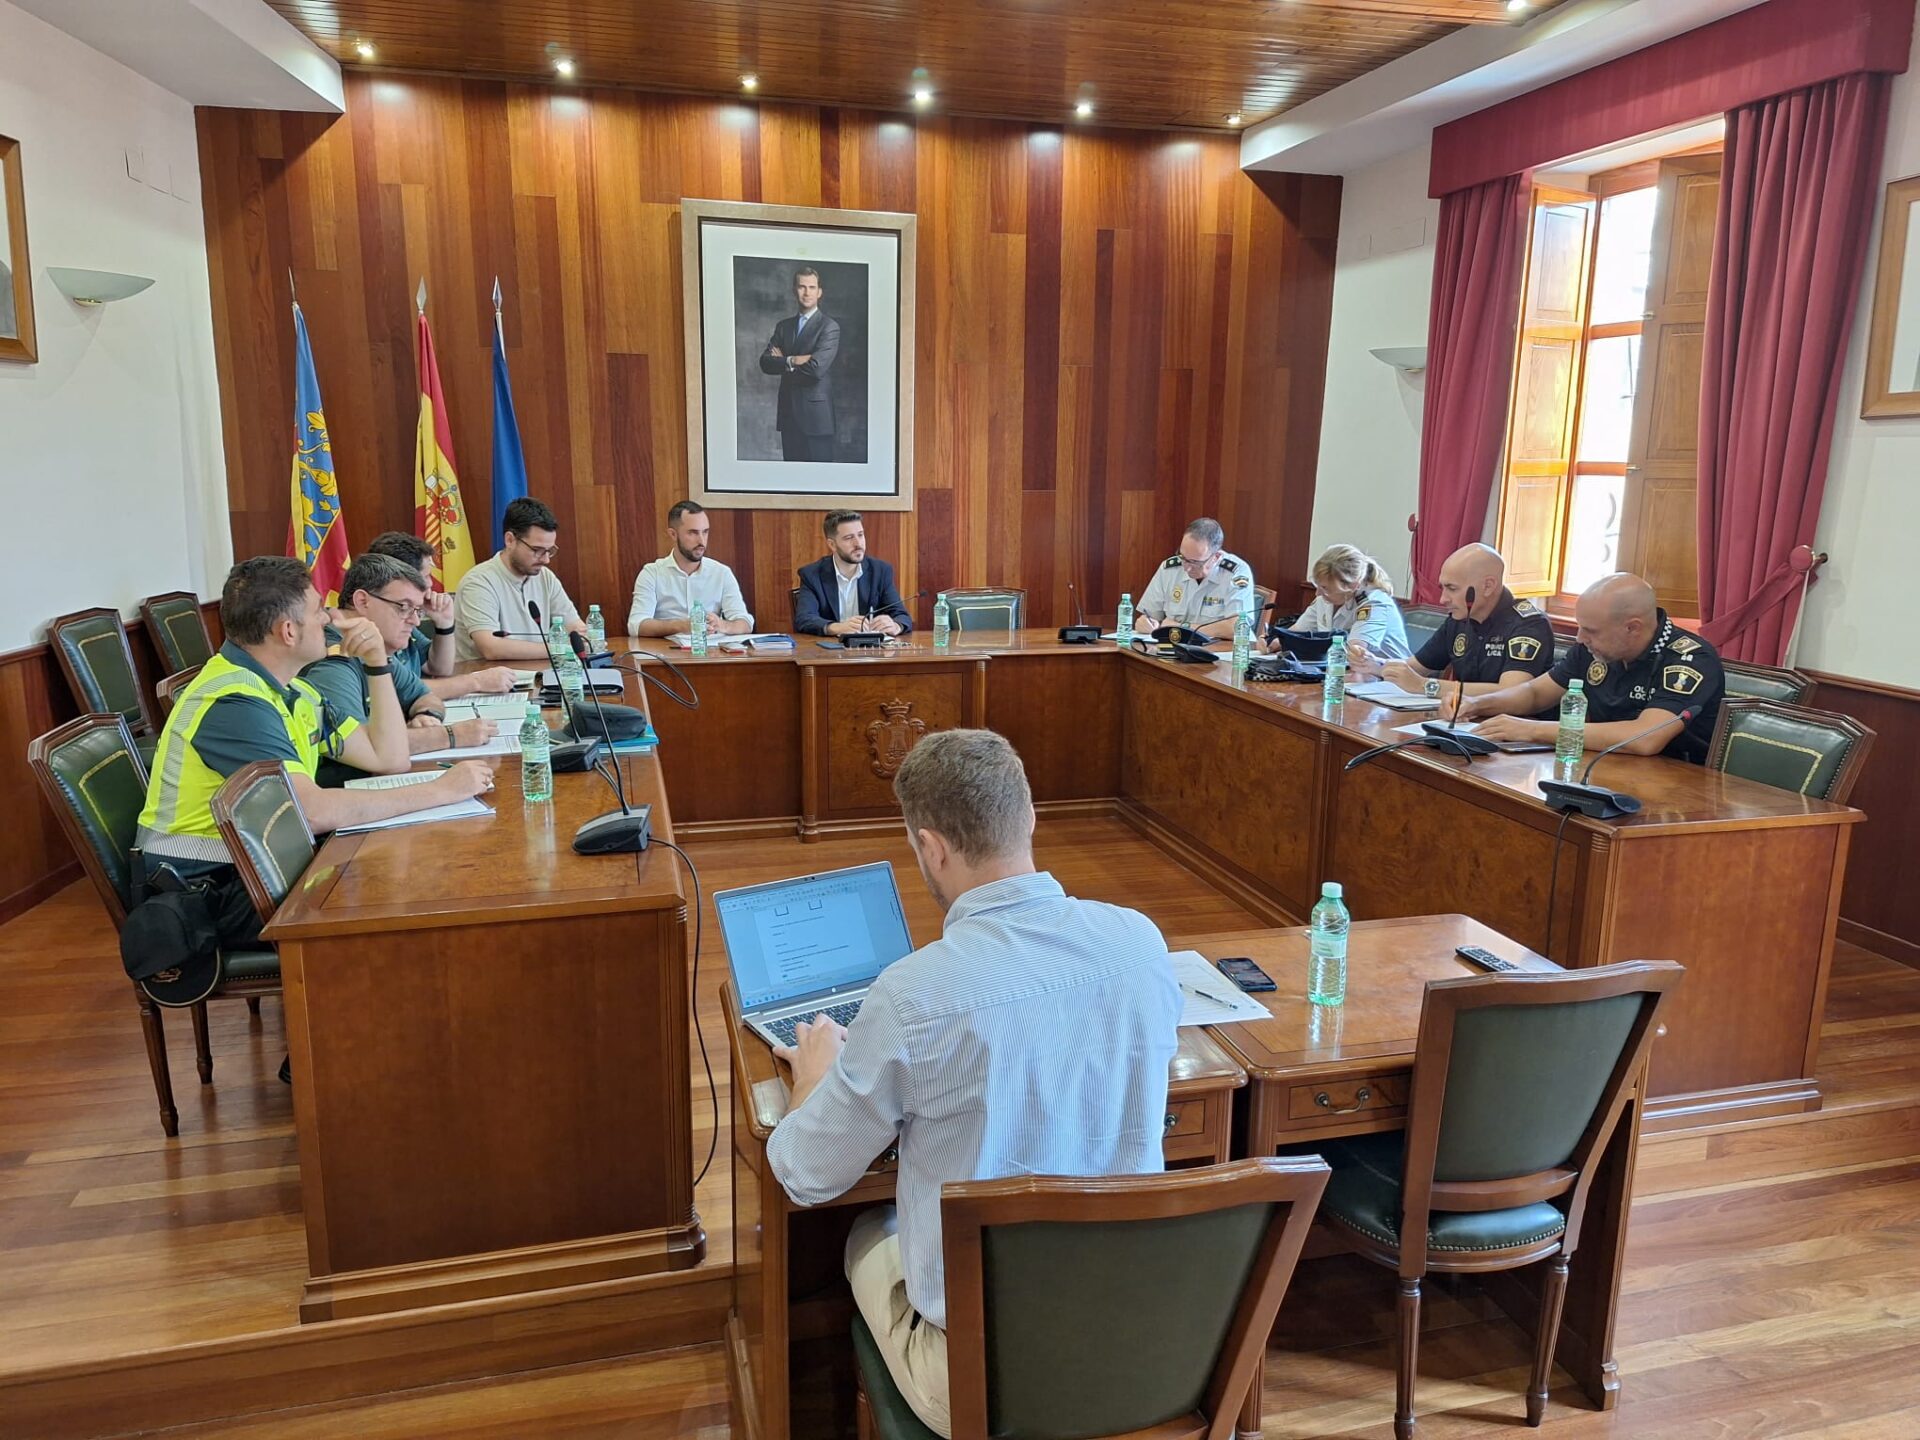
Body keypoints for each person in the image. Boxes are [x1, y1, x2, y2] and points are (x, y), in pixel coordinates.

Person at [765, 729, 1181, 1437]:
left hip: (985, 1384)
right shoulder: (1140, 942)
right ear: (1030, 819)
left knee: (867, 1231)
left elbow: (805, 1174)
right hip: (1136, 1348)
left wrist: (812, 1083)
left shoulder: (911, 995)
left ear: (931, 848)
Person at [134, 556, 497, 952]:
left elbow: (388, 758)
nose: (329, 619)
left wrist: (376, 664)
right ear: (288, 631)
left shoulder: (294, 690)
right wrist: (441, 790)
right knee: (407, 897)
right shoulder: (233, 703)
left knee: (414, 873)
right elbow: (310, 812)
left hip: (263, 865)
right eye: (318, 611)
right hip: (210, 888)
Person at [1459, 572, 1725, 763]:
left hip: (1676, 783)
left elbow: (1644, 738)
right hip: (1604, 764)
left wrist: (1531, 730)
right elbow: (1536, 693)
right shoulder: (1594, 647)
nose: (1580, 638)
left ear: (1633, 628)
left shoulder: (1690, 659)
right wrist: (1477, 704)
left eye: (1590, 630)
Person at [301, 553, 494, 785]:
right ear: (362, 601)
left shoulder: (371, 648)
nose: (415, 621)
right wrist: (450, 735)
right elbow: (372, 749)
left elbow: (425, 696)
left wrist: (426, 715)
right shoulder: (333, 664)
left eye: (417, 610)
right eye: (404, 607)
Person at [1373, 543, 1556, 704]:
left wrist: (1426, 686)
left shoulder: (1529, 624)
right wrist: (1375, 665)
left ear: (1488, 586)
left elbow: (1510, 692)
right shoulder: (1459, 618)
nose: (1443, 599)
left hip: (1512, 727)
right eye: (1443, 588)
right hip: (1462, 718)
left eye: (1452, 589)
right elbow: (1414, 668)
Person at [364, 530, 516, 699]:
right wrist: (476, 682)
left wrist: (444, 624)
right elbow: (398, 690)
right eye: (426, 576)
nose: (430, 583)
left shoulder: (406, 620)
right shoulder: (370, 630)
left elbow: (439, 669)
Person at [454, 497, 589, 662]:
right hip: (487, 675)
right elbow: (491, 648)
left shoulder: (545, 576)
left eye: (549, 551)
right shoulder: (478, 582)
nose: (546, 560)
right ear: (510, 540)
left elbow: (575, 628)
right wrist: (562, 649)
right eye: (537, 550)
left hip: (538, 671)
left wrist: (582, 639)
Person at [627, 500, 755, 638]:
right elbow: (636, 625)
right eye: (693, 533)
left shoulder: (721, 573)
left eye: (705, 532)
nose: (701, 541)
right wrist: (681, 626)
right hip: (667, 649)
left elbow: (746, 623)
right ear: (673, 534)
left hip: (710, 649)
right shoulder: (652, 573)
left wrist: (722, 625)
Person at [1268, 543, 1410, 663]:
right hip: (1343, 674)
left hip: (1386, 680)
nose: (1317, 593)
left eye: (1325, 588)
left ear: (1353, 586)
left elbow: (1355, 654)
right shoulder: (1326, 598)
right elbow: (1294, 635)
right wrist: (1271, 643)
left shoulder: (1374, 604)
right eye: (1317, 585)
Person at [758, 265, 841, 463]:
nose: (807, 292)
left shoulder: (829, 327)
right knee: (791, 478)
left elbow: (816, 370)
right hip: (789, 417)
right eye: (802, 287)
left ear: (819, 292)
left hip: (817, 420)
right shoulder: (783, 327)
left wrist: (783, 362)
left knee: (820, 479)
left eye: (812, 287)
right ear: (794, 291)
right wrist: (793, 360)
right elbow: (765, 362)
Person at [1133, 517, 1258, 641]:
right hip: (1176, 647)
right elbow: (1149, 616)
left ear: (1216, 557)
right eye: (1183, 557)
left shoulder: (1236, 572)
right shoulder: (1169, 569)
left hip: (1223, 650)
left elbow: (1237, 627)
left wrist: (1181, 628)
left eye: (1195, 562)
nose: (1186, 568)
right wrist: (1146, 623)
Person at [793, 510, 913, 637]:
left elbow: (902, 616)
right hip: (829, 647)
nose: (858, 544)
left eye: (860, 535)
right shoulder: (812, 575)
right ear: (832, 544)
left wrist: (896, 625)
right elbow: (804, 619)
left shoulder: (880, 571)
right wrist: (837, 627)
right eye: (849, 538)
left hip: (871, 648)